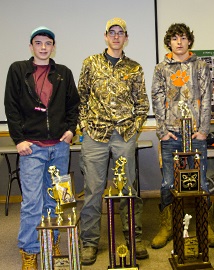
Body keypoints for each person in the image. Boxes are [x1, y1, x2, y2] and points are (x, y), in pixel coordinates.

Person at [4, 26, 80, 269]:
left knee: (58, 200)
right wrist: (18, 140)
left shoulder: (64, 73)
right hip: (31, 149)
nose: (44, 47)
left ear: (53, 46)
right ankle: (30, 251)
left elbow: (73, 106)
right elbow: (11, 107)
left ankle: (52, 242)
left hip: (59, 148)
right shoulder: (18, 70)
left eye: (48, 43)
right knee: (32, 203)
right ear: (31, 46)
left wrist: (71, 130)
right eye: (39, 43)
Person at [78, 17, 149, 265]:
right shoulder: (91, 64)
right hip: (95, 136)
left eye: (121, 33)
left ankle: (134, 238)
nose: (116, 36)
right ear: (106, 36)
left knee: (128, 189)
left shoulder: (135, 68)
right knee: (93, 190)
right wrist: (85, 126)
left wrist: (134, 128)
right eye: (112, 32)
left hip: (124, 136)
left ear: (126, 38)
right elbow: (81, 98)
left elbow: (142, 104)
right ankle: (89, 242)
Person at [151, 23, 214, 248]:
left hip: (196, 134)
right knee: (168, 182)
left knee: (200, 181)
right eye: (174, 38)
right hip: (172, 135)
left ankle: (204, 224)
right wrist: (162, 131)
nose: (179, 42)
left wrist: (204, 130)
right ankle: (168, 225)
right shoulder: (161, 68)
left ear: (189, 41)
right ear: (168, 43)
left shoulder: (200, 66)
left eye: (183, 37)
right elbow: (157, 98)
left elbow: (207, 97)